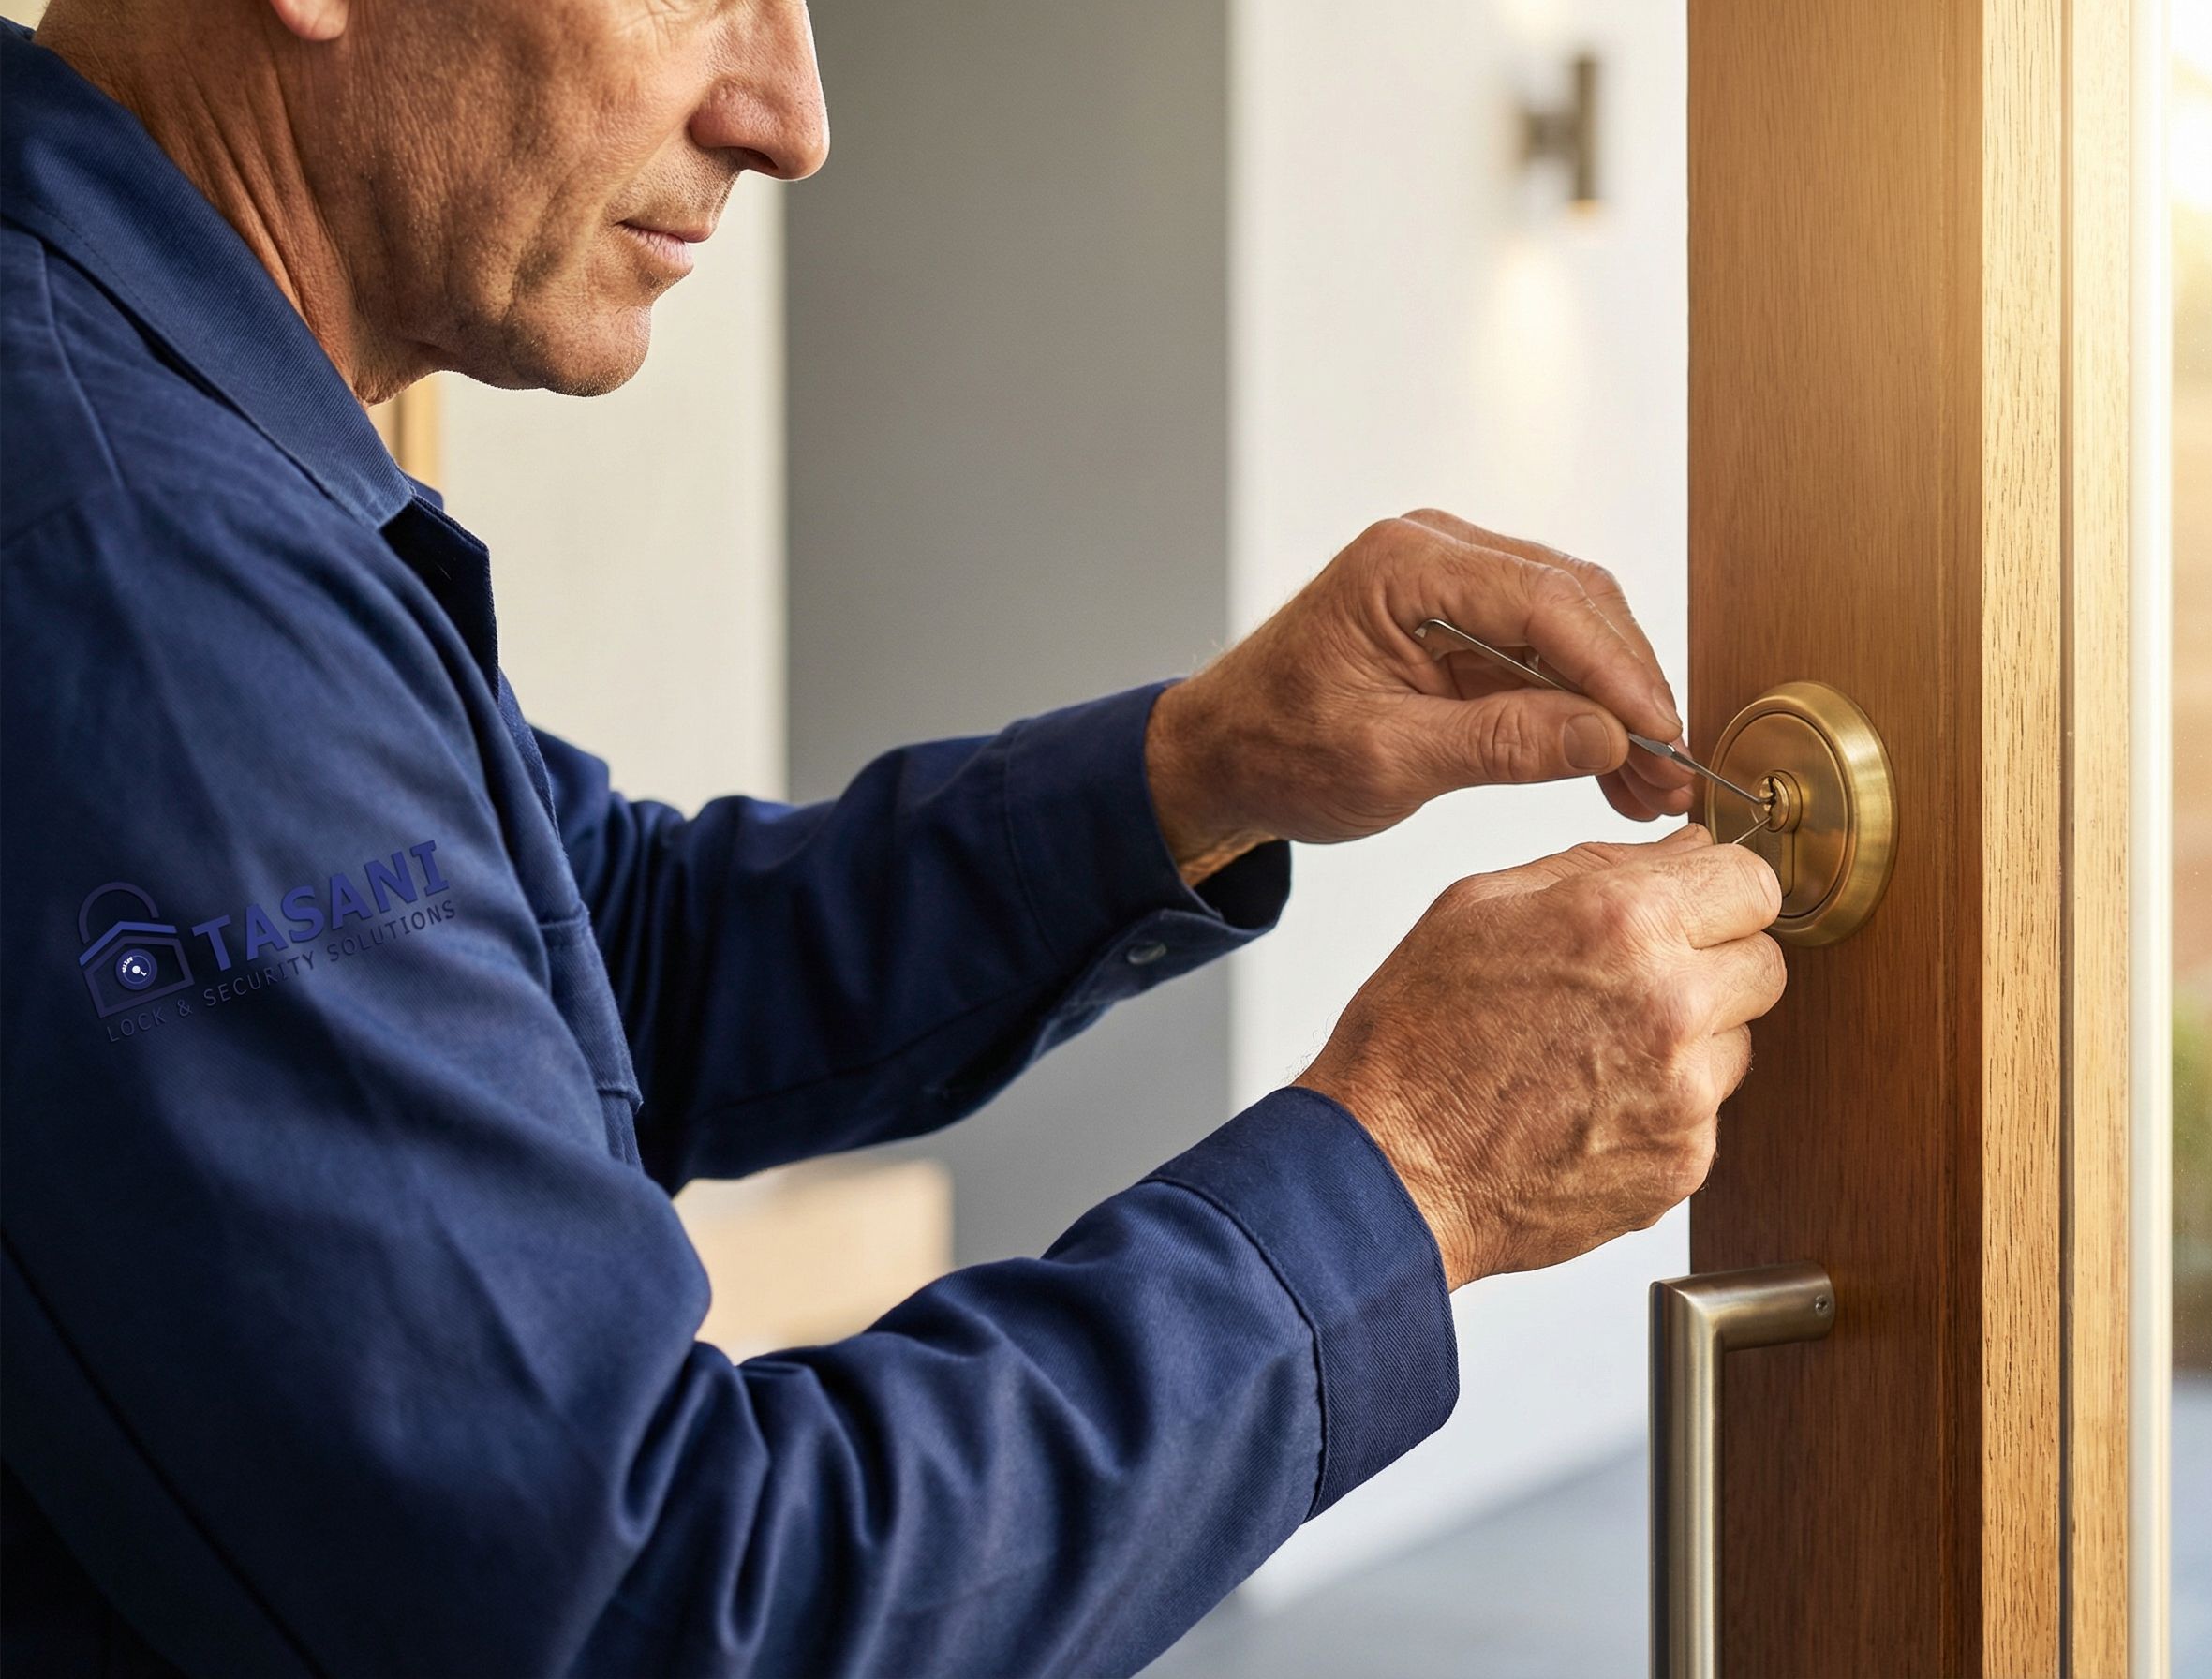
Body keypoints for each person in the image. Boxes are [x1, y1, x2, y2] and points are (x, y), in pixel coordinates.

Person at [0, 2, 1787, 1674]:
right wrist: (1417, 1173)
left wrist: (1207, 767)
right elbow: (660, 1604)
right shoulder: (127, 566)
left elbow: (616, 957)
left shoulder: (173, 451)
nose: (792, 119)